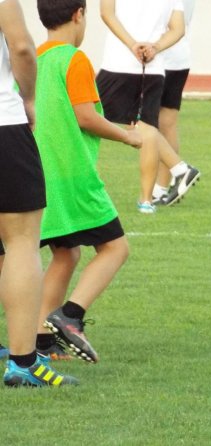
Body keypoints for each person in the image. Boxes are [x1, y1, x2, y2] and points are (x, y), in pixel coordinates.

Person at [34, 0, 143, 364]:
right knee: (115, 248)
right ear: (79, 15)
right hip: (73, 176)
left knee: (66, 254)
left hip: (42, 176)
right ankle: (71, 316)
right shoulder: (74, 59)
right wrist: (126, 136)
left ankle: (41, 341)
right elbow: (85, 117)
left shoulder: (36, 58)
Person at [0, 0, 77, 386]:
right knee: (21, 242)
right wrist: (28, 98)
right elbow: (23, 48)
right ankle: (23, 363)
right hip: (3, 124)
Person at [97, 0, 201, 213]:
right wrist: (155, 47)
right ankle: (147, 199)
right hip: (154, 64)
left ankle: (176, 169)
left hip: (119, 62)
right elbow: (178, 28)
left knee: (89, 116)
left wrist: (132, 44)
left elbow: (107, 14)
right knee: (147, 128)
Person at [153, 0, 196, 203]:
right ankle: (161, 187)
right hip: (177, 57)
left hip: (162, 56)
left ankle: (173, 175)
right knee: (165, 125)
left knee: (146, 124)